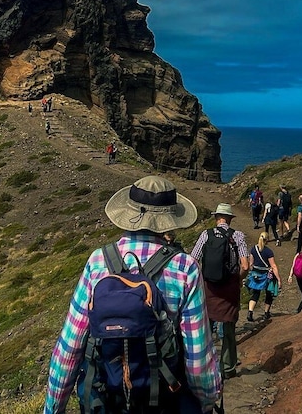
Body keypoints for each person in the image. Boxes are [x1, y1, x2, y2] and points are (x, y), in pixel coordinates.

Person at [44, 175, 221, 414]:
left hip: (106, 399)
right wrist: (207, 401)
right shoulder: (184, 267)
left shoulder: (98, 261)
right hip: (162, 401)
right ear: (170, 219)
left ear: (127, 213)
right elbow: (198, 358)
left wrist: (53, 407)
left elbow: (70, 346)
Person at [190, 203, 249, 380]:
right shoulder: (237, 236)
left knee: (206, 326)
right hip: (229, 287)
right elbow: (245, 265)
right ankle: (228, 368)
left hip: (209, 286)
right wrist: (238, 279)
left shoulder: (205, 235)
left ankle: (204, 365)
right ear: (230, 219)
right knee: (229, 326)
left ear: (216, 218)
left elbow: (193, 260)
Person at [246, 232, 282, 321]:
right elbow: (273, 266)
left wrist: (252, 272)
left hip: (256, 275)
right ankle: (266, 313)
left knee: (255, 294)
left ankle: (250, 311)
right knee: (269, 294)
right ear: (267, 240)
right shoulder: (268, 251)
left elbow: (251, 263)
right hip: (266, 275)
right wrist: (278, 279)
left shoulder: (253, 249)